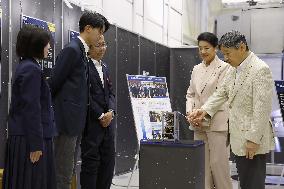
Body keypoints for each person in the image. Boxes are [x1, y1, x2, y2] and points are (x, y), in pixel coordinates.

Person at [188, 30, 275, 189]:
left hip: (252, 140)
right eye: (224, 54)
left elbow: (262, 109)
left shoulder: (260, 69)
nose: (225, 58)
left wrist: (253, 139)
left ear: (241, 48)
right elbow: (221, 93)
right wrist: (204, 110)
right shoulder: (235, 68)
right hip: (239, 138)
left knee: (253, 183)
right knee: (245, 181)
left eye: (227, 53)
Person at [49, 12, 108, 189]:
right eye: (100, 31)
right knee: (63, 174)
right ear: (88, 29)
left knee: (68, 173)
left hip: (75, 124)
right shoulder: (73, 50)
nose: (101, 37)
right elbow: (54, 83)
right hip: (66, 123)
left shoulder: (81, 51)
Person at [2, 25, 56, 189]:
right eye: (46, 43)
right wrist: (36, 145)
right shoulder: (31, 70)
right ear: (36, 46)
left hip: (25, 138)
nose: (49, 47)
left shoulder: (26, 66)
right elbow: (31, 110)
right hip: (29, 140)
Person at [186, 32, 232, 189]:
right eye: (200, 48)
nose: (203, 52)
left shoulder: (225, 68)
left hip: (216, 123)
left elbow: (221, 96)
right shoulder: (196, 69)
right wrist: (190, 113)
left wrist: (202, 114)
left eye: (207, 48)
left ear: (215, 48)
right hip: (197, 123)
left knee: (219, 167)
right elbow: (190, 94)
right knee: (202, 168)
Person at [80, 34, 115, 189]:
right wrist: (100, 115)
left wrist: (111, 111)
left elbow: (111, 93)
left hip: (108, 126)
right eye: (98, 45)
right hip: (93, 125)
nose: (102, 48)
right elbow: (84, 95)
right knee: (91, 166)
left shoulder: (105, 68)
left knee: (108, 164)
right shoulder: (84, 66)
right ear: (89, 47)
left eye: (104, 44)